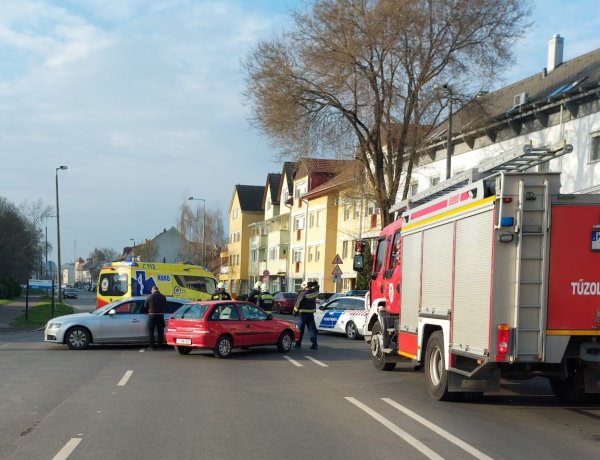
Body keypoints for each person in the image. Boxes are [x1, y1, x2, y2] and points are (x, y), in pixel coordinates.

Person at [293, 280, 319, 349]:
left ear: (305, 286)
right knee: (312, 329)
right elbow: (316, 288)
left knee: (299, 329)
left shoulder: (302, 293)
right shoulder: (315, 292)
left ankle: (298, 344)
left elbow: (298, 304)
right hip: (311, 314)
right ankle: (314, 344)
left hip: (303, 314)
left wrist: (294, 312)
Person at [143, 285, 167, 350]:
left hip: (152, 315)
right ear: (158, 290)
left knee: (151, 331)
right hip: (160, 315)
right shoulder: (163, 297)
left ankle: (152, 346)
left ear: (152, 290)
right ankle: (161, 346)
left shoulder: (149, 297)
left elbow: (145, 306)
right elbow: (165, 305)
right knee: (160, 331)